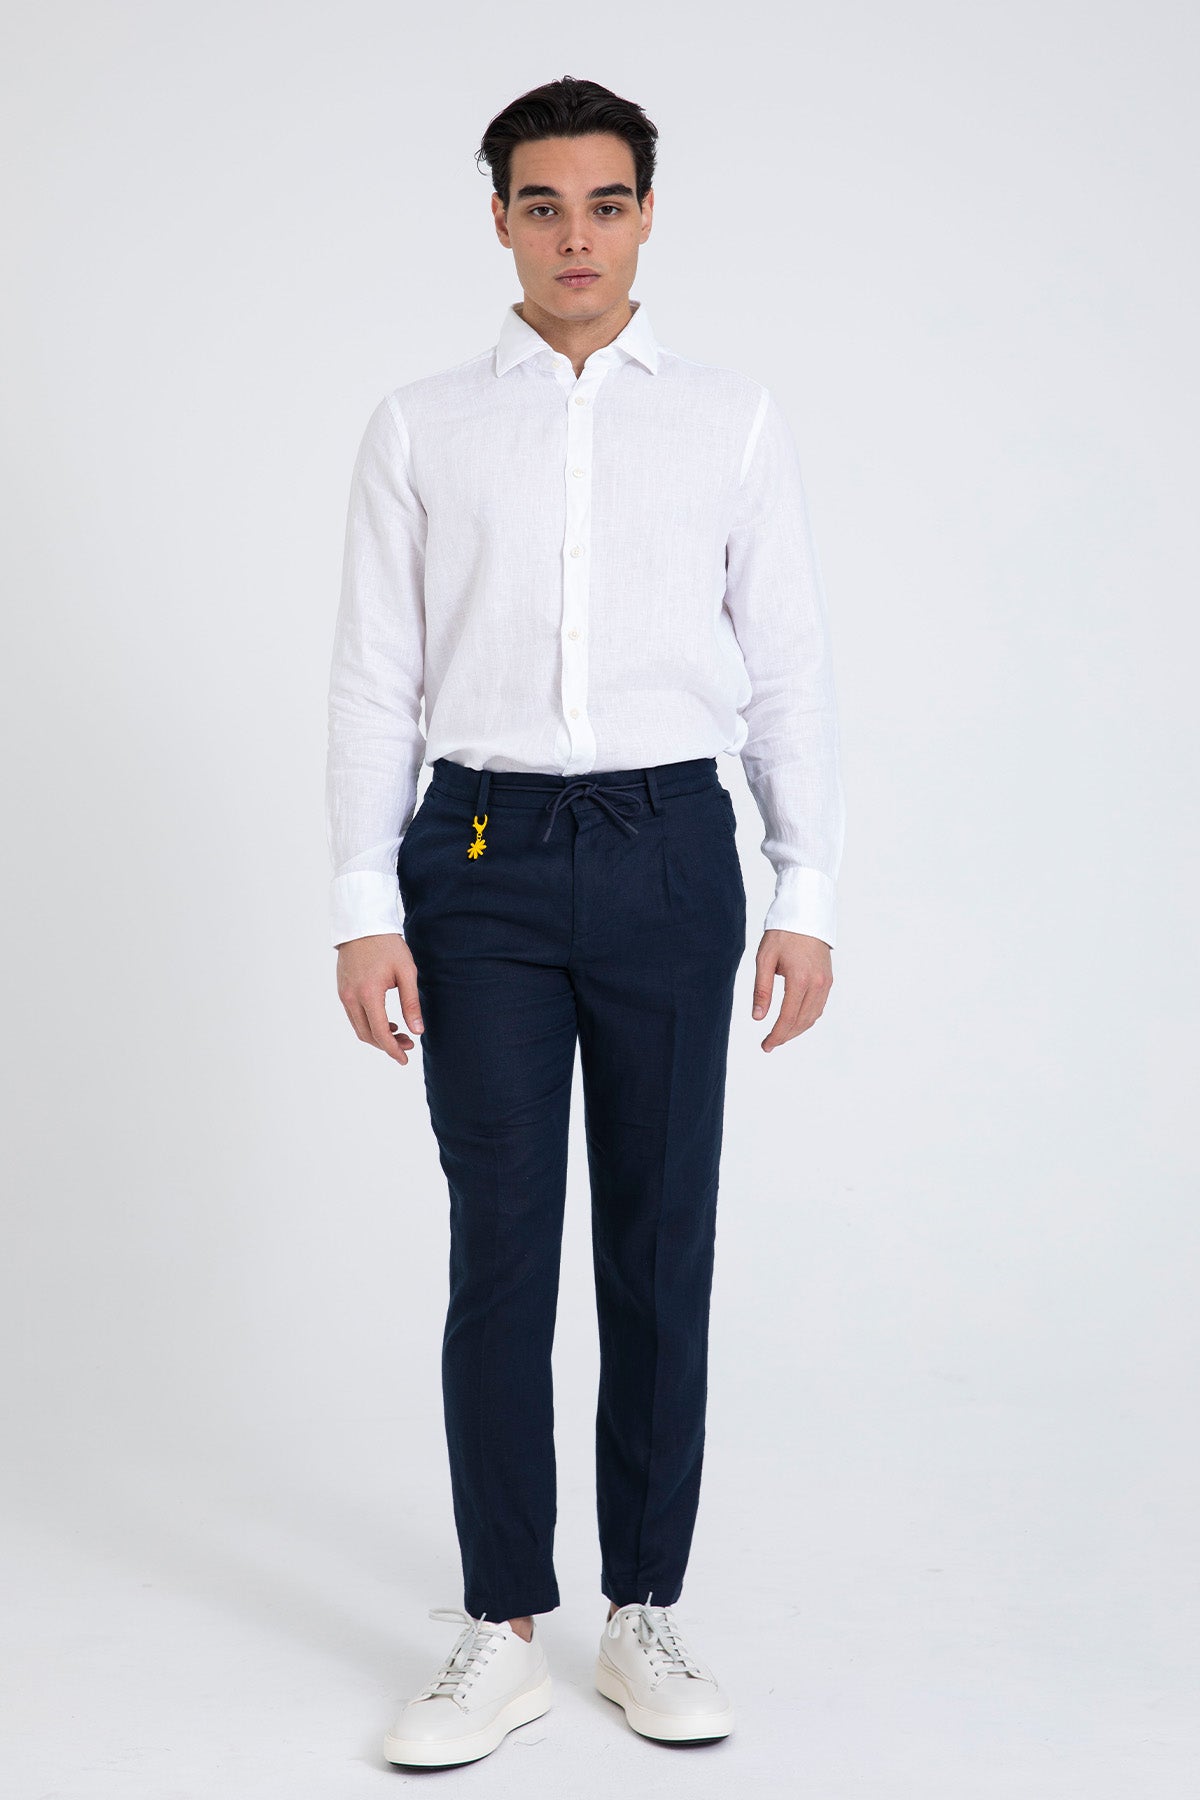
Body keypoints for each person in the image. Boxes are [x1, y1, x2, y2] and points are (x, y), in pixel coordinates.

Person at [325, 74, 845, 1769]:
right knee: (500, 1244)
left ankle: (642, 1609)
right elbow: (375, 677)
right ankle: (499, 1627)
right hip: (475, 856)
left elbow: (787, 668)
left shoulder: (729, 421)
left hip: (671, 850)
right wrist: (362, 904)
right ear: (498, 219)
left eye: (606, 204)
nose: (575, 237)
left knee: (659, 1239)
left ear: (646, 217)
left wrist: (807, 887)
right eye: (542, 205)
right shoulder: (421, 426)